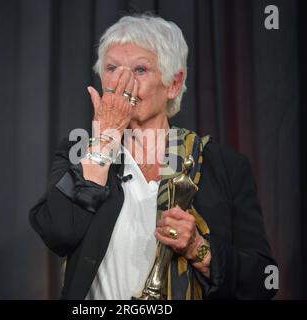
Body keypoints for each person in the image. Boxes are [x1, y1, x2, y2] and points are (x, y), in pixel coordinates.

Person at [29, 14, 278, 300]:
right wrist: (104, 141)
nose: (122, 82)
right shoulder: (78, 152)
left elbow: (263, 281)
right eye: (111, 68)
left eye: (140, 70)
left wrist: (198, 248)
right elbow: (57, 233)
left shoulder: (225, 166)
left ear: (173, 84)